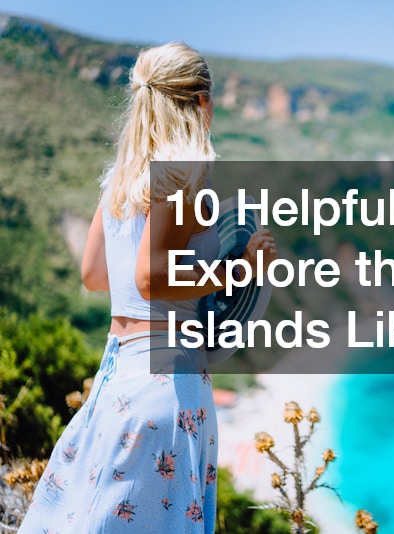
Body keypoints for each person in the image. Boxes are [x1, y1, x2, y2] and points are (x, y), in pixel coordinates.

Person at [19, 42, 276, 533]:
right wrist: (240, 270)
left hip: (117, 379)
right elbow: (150, 277)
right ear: (201, 103)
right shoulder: (184, 177)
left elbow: (94, 274)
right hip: (168, 386)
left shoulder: (121, 181)